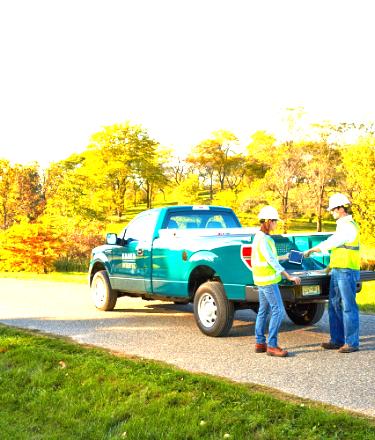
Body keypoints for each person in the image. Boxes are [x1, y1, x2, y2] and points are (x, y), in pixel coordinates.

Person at [304, 193, 360, 353]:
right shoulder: (342, 226)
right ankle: (337, 340)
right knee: (334, 304)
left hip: (346, 271)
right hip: (337, 270)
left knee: (349, 307)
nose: (331, 212)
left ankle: (352, 343)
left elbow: (333, 242)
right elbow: (339, 250)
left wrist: (313, 249)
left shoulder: (349, 226)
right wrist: (328, 268)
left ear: (341, 209)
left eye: (333, 209)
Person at [253, 206, 301, 357]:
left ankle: (260, 342)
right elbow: (271, 261)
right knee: (278, 311)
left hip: (261, 279)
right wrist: (289, 276)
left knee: (263, 310)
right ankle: (272, 346)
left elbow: (270, 258)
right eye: (274, 221)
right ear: (267, 221)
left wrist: (286, 256)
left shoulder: (259, 237)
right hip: (268, 281)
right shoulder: (263, 240)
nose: (275, 224)